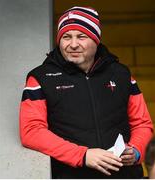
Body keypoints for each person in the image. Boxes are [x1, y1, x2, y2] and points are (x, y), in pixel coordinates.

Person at [19, 6, 154, 178]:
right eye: (66, 37)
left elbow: (142, 124)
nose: (73, 44)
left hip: (126, 174)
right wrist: (83, 156)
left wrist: (135, 151)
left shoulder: (121, 74)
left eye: (81, 37)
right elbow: (31, 131)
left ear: (96, 40)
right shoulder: (40, 77)